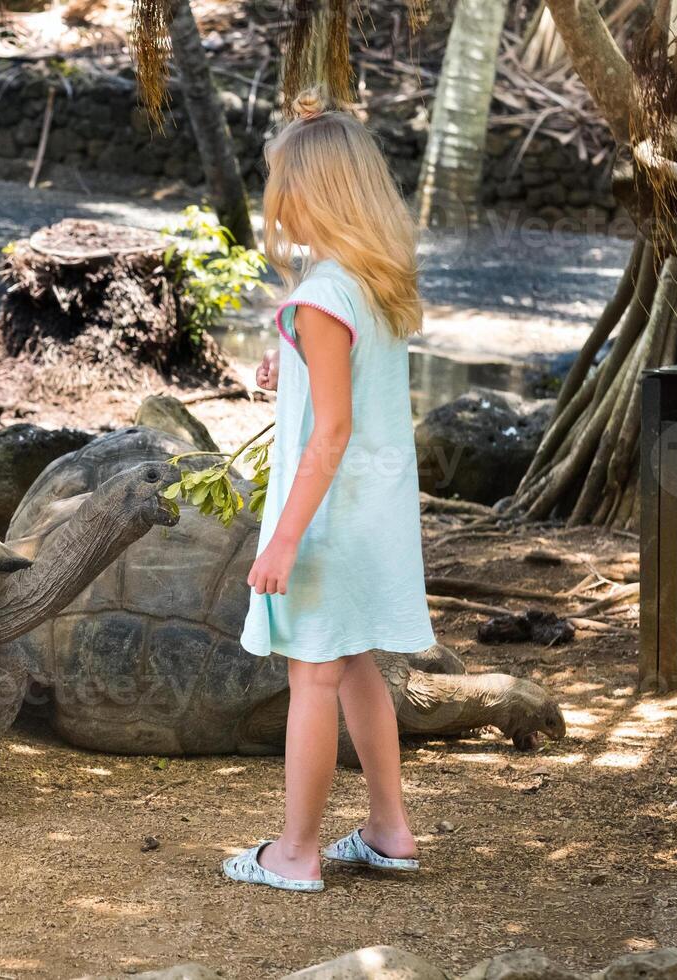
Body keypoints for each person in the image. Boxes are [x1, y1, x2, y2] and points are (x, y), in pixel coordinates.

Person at [222, 88, 436, 893]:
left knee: (311, 671)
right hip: (373, 513)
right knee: (352, 666)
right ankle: (389, 829)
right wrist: (292, 357)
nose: (278, 210)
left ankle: (296, 851)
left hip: (327, 519)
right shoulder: (369, 284)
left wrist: (282, 538)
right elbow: (344, 387)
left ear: (312, 196)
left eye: (282, 192)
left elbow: (332, 431)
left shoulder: (321, 298)